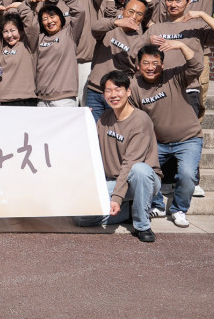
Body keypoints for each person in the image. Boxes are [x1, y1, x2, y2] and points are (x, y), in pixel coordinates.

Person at [73, 70, 162, 243]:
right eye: (108, 90)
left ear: (128, 91)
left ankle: (142, 224)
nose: (113, 95)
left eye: (118, 89)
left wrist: (116, 198)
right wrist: (83, 122)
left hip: (142, 181)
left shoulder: (140, 120)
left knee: (140, 170)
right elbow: (91, 149)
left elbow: (130, 164)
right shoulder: (104, 119)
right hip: (114, 181)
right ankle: (129, 211)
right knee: (79, 217)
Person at [131, 41, 204, 228]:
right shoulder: (134, 86)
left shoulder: (174, 76)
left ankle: (179, 209)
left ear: (162, 65)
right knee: (143, 169)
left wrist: (181, 46)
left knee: (187, 174)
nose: (150, 67)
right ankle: (157, 205)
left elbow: (197, 66)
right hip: (158, 142)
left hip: (188, 138)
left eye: (155, 63)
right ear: (138, 66)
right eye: (146, 63)